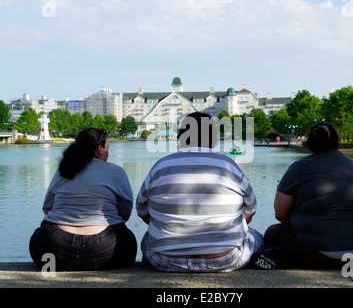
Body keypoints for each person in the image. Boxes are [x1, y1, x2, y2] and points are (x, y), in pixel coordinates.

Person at [136, 112, 264, 272]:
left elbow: (142, 211)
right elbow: (251, 210)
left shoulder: (160, 166)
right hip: (225, 259)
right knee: (256, 237)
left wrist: (172, 228)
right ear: (213, 137)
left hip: (166, 259)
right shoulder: (229, 166)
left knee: (147, 238)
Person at [253, 122, 353, 270]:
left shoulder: (300, 168)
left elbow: (280, 214)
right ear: (337, 142)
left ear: (309, 144)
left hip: (324, 256)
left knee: (273, 232)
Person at [29, 128, 137, 271]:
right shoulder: (116, 171)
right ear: (100, 149)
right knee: (128, 240)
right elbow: (125, 215)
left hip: (55, 248)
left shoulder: (64, 170)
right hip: (105, 250)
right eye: (107, 148)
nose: (108, 152)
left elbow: (48, 208)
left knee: (38, 234)